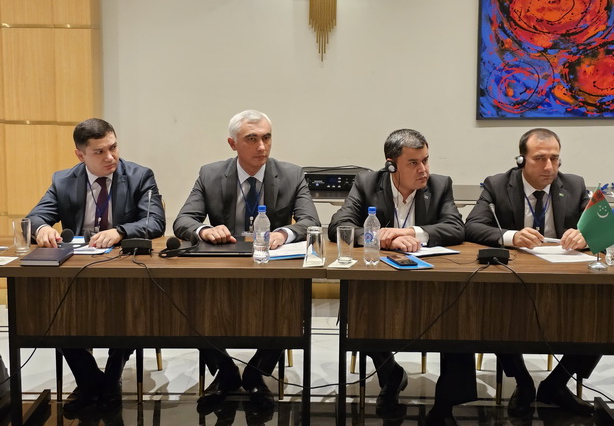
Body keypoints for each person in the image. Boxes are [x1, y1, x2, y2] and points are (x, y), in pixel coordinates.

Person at [173, 109, 320, 410]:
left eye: (266, 138)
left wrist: (284, 233)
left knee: (291, 303)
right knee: (192, 301)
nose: (262, 147)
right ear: (233, 144)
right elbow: (183, 220)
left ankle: (256, 373)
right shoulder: (210, 174)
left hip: (272, 268)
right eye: (252, 139)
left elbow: (310, 222)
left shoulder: (292, 174)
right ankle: (225, 371)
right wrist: (205, 230)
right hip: (224, 266)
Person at [328, 129, 474, 425]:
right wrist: (379, 237)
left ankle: (444, 407)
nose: (423, 170)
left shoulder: (440, 185)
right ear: (391, 165)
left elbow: (456, 228)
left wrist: (410, 233)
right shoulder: (367, 183)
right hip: (380, 281)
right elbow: (339, 226)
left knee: (458, 314)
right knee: (361, 309)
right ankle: (391, 375)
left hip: (433, 283)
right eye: (414, 163)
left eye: (426, 160)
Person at [26, 118, 166, 416]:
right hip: (79, 271)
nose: (110, 157)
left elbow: (155, 222)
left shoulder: (140, 176)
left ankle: (110, 377)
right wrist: (41, 229)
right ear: (81, 155)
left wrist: (121, 231)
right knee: (55, 309)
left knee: (131, 309)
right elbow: (35, 217)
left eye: (113, 147)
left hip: (125, 269)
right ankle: (92, 381)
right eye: (99, 152)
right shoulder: (64, 180)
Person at [465, 128, 597, 417]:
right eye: (540, 158)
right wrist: (511, 236)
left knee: (603, 314)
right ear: (521, 160)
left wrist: (586, 236)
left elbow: (604, 228)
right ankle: (523, 382)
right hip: (513, 278)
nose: (549, 167)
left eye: (555, 158)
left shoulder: (574, 185)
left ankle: (556, 384)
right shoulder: (498, 185)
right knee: (495, 311)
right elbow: (472, 226)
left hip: (564, 279)